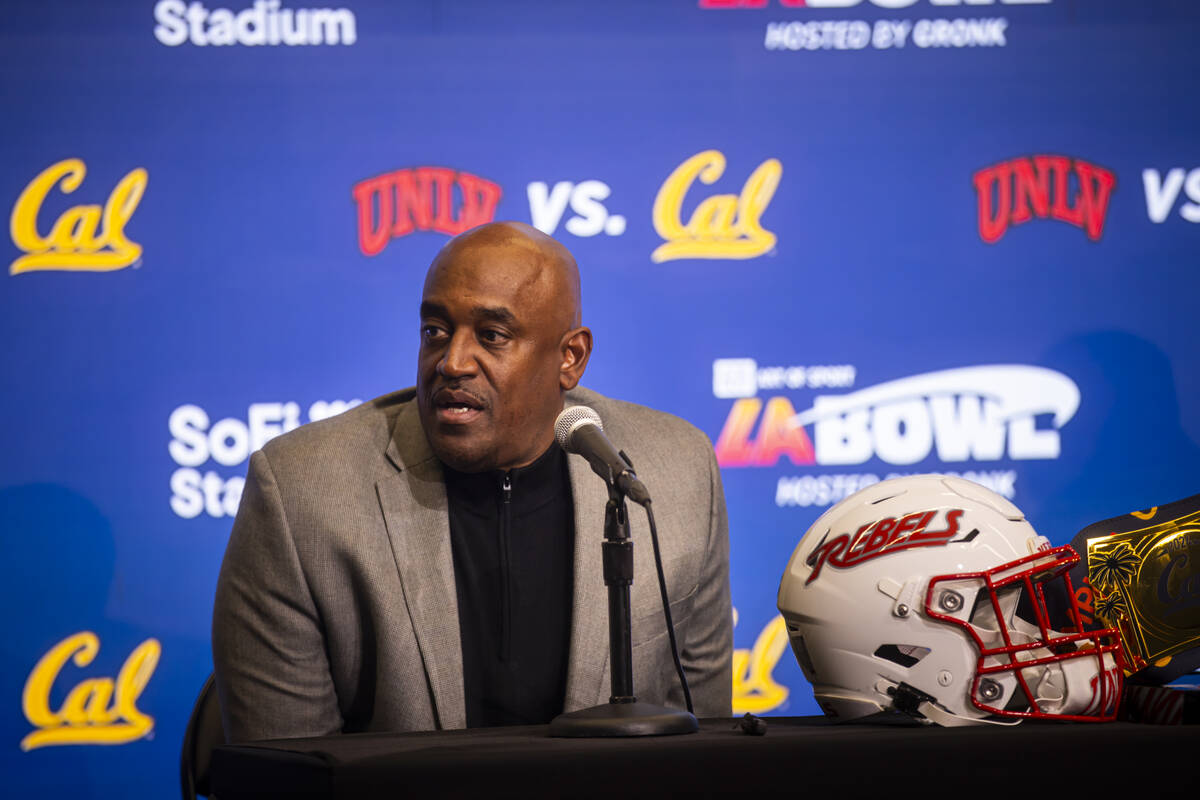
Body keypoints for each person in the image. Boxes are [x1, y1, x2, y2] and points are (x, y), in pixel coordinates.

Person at [212, 221, 732, 742]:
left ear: (569, 358)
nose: (452, 362)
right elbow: (290, 773)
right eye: (435, 331)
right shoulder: (301, 491)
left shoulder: (676, 472)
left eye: (492, 336)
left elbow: (702, 747)